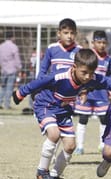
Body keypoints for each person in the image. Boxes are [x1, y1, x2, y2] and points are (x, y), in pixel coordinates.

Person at [12, 49, 111, 179]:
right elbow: (40, 82)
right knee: (54, 134)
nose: (87, 77)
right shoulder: (60, 76)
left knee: (70, 146)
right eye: (84, 72)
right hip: (46, 106)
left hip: (63, 111)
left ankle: (55, 177)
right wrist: (20, 93)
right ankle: (42, 172)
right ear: (74, 67)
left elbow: (109, 82)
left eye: (91, 73)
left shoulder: (91, 78)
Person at [37, 18, 81, 163]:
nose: (69, 36)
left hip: (67, 100)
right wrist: (38, 87)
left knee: (67, 140)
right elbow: (43, 71)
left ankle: (56, 172)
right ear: (59, 33)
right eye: (66, 32)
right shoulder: (52, 49)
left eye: (72, 33)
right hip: (51, 98)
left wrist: (84, 90)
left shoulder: (79, 51)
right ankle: (46, 165)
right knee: (53, 133)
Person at [74, 30, 111, 154]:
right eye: (99, 42)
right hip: (87, 93)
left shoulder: (108, 59)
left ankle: (102, 144)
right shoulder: (89, 56)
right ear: (93, 43)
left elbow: (109, 76)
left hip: (101, 94)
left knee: (103, 119)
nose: (102, 45)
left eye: (104, 43)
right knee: (83, 118)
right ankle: (79, 146)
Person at [0, 31, 22, 109]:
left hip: (3, 70)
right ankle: (7, 104)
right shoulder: (14, 46)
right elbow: (17, 59)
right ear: (12, 37)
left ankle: (0, 102)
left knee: (2, 87)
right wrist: (19, 67)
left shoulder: (1, 46)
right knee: (9, 88)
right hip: (11, 69)